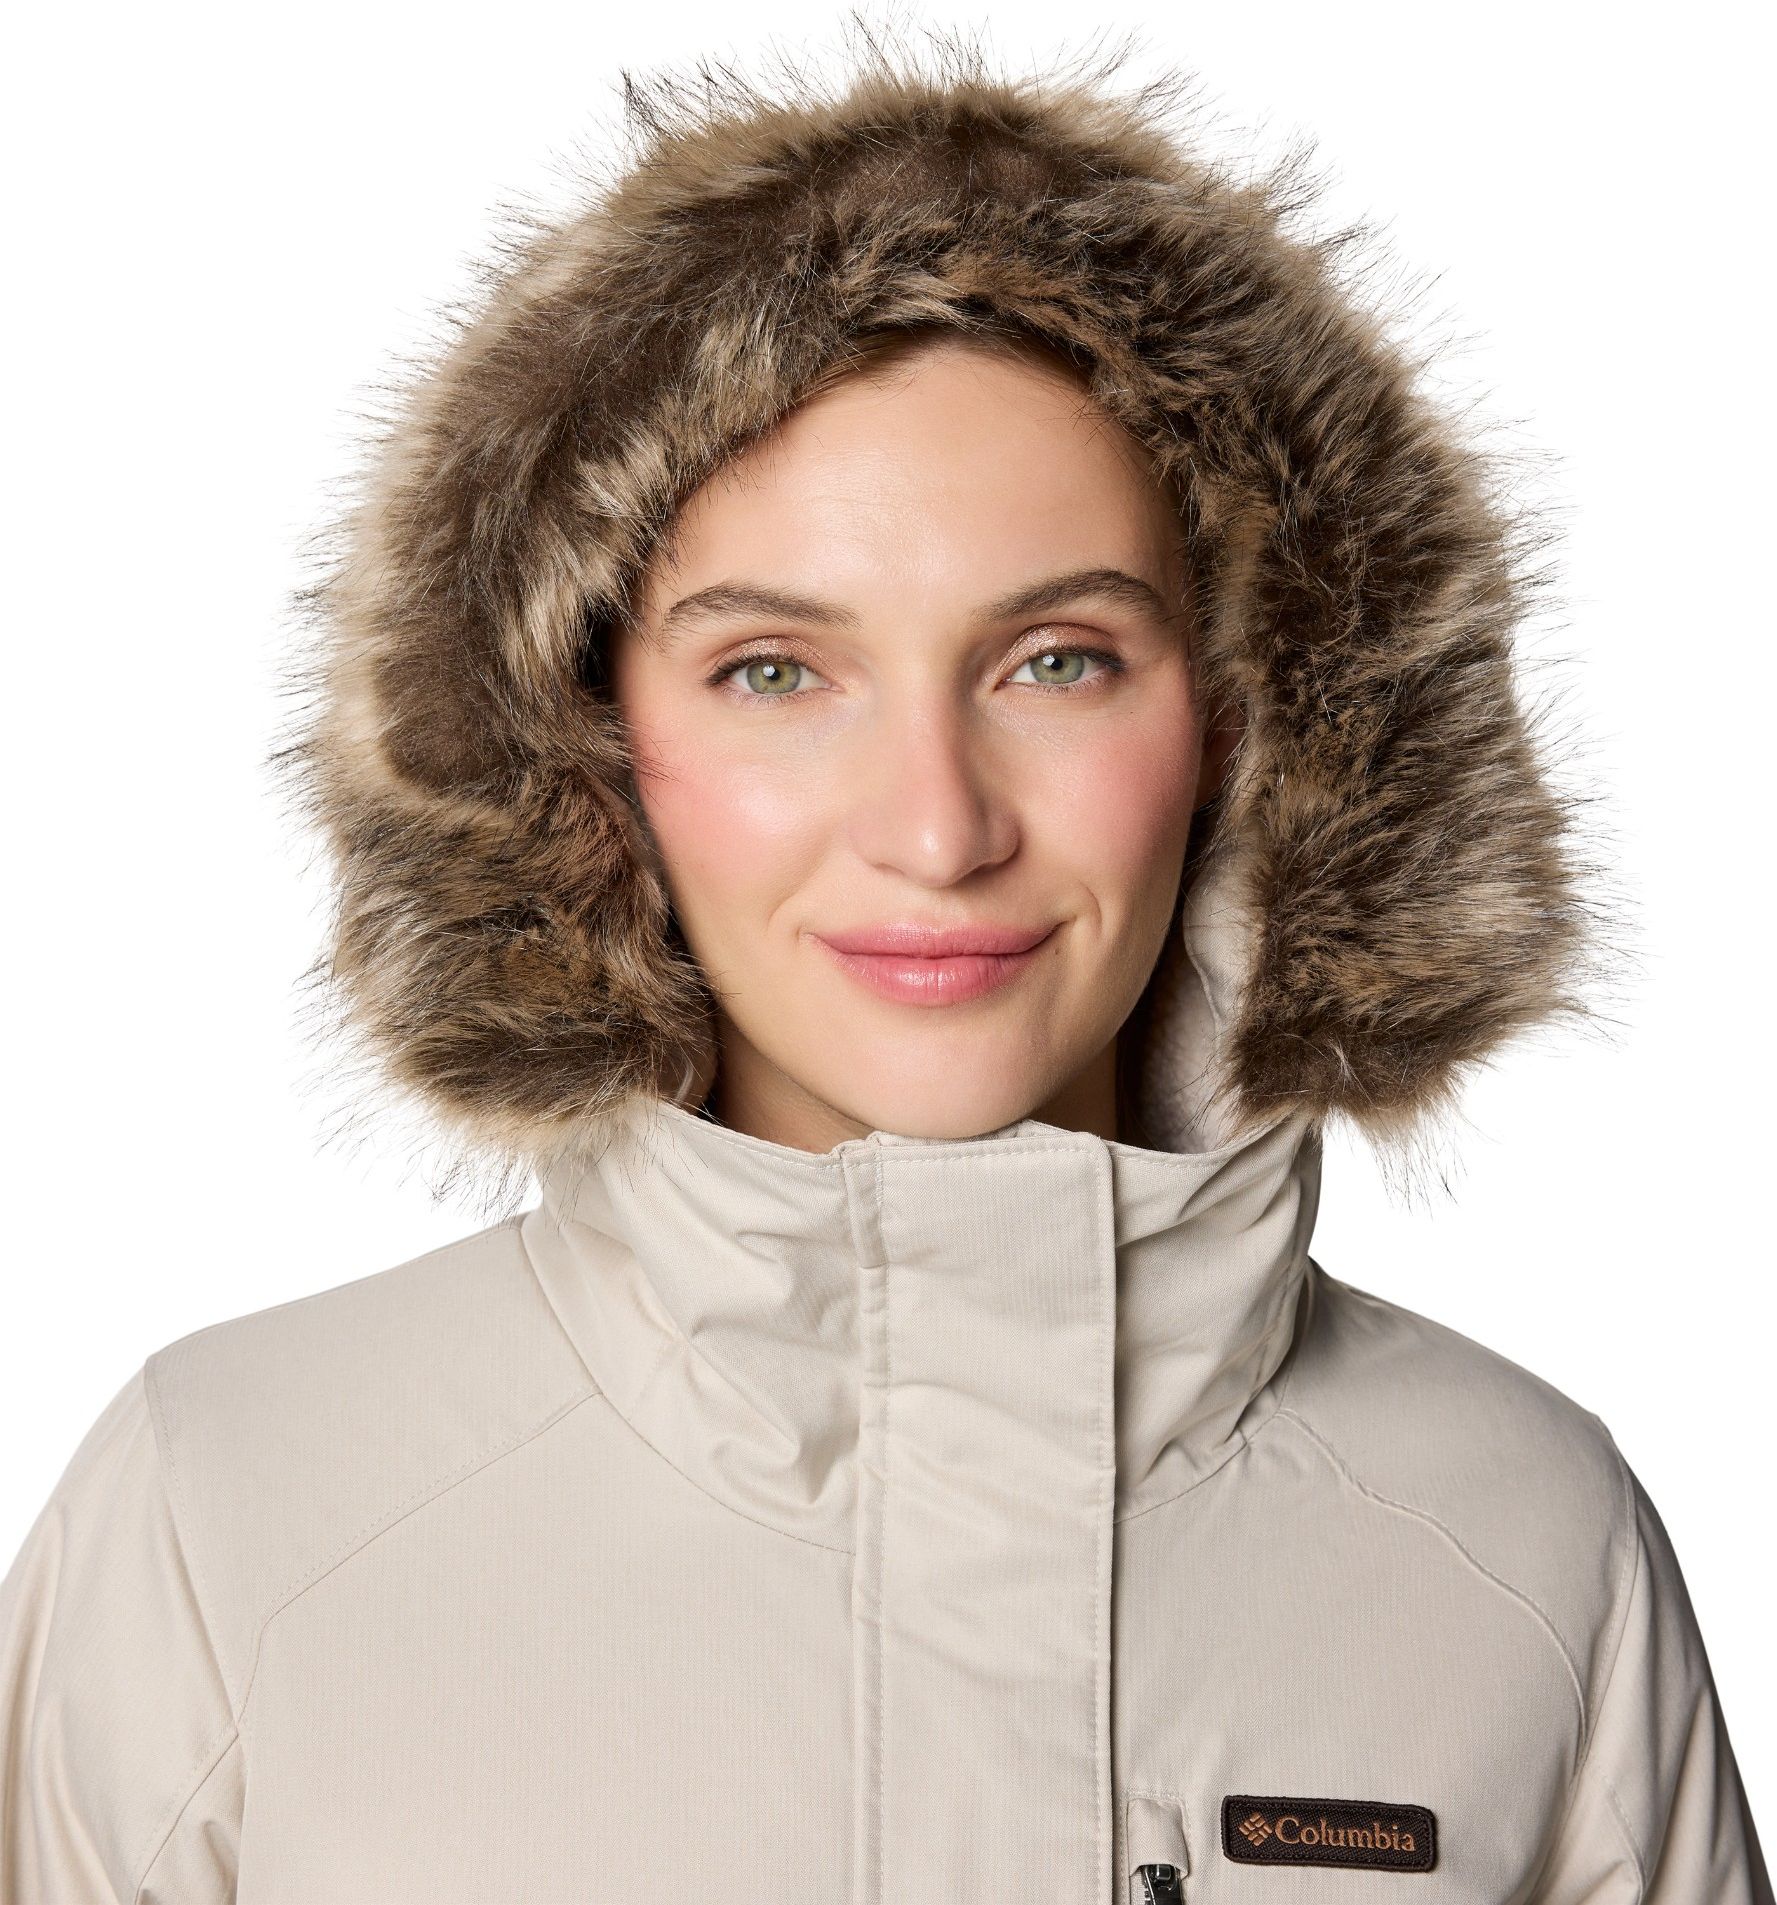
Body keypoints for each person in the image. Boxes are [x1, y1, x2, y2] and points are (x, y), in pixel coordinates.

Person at [2, 24, 1769, 1905]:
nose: (938, 828)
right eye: (774, 671)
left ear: (1253, 720)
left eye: (1057, 661)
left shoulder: (1520, 1549)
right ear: (577, 742)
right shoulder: (234, 1522)